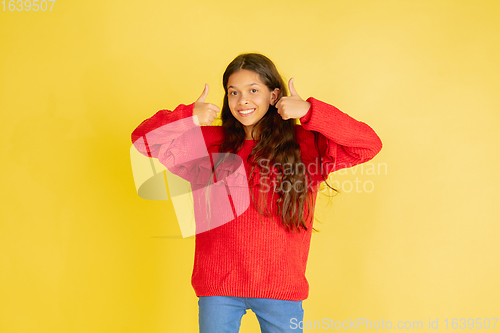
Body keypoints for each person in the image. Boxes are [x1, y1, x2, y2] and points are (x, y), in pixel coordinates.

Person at [131, 53, 383, 333]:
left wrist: (310, 112)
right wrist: (187, 117)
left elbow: (367, 144)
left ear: (274, 95)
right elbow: (142, 141)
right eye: (233, 92)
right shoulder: (209, 144)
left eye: (253, 90)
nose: (243, 100)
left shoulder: (306, 146)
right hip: (218, 287)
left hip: (281, 288)